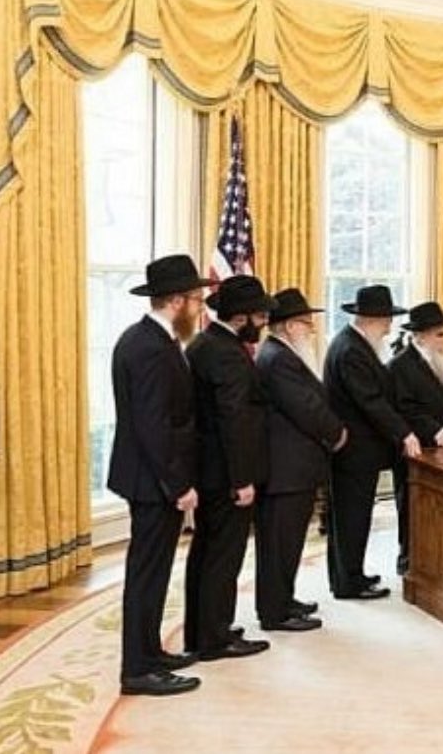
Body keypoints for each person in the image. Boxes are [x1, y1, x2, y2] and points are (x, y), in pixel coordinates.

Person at [108, 254, 209, 696]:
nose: (199, 307)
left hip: (152, 478)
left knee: (154, 572)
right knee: (147, 575)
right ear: (176, 300)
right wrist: (179, 485)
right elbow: (154, 427)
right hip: (153, 482)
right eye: (195, 299)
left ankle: (150, 653)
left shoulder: (153, 339)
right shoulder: (148, 347)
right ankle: (137, 670)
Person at [183, 274, 275, 660]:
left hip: (208, 472)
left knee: (206, 553)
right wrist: (243, 480)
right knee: (223, 556)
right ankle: (214, 638)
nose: (263, 323)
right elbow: (233, 419)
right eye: (259, 316)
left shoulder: (207, 343)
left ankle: (204, 629)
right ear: (241, 317)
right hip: (225, 475)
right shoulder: (224, 352)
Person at [255, 288, 346, 632]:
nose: (311, 330)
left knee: (288, 542)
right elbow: (306, 408)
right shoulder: (278, 358)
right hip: (286, 470)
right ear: (291, 326)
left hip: (293, 468)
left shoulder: (281, 353)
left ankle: (284, 599)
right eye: (307, 324)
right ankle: (275, 612)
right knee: (279, 544)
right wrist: (336, 432)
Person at [325, 285, 419, 599]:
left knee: (353, 518)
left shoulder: (354, 344)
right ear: (372, 319)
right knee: (351, 518)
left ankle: (350, 576)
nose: (390, 326)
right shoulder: (351, 350)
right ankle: (349, 582)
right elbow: (371, 402)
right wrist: (404, 433)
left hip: (358, 451)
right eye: (387, 319)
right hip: (353, 451)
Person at [389, 301, 443, 576]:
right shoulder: (401, 365)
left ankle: (434, 559)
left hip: (441, 448)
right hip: (415, 447)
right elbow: (406, 407)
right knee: (410, 506)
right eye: (439, 334)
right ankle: (408, 560)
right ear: (419, 336)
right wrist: (434, 429)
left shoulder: (439, 361)